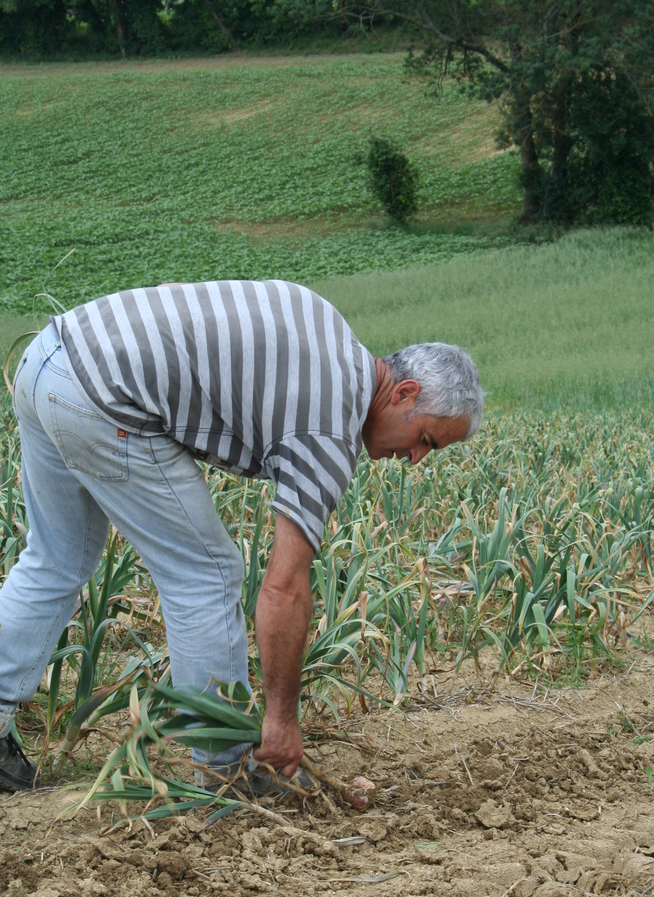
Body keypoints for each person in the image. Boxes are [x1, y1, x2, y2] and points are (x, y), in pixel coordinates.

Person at [0, 280, 483, 794]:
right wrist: (281, 722)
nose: (416, 458)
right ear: (404, 393)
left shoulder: (331, 330)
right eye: (425, 439)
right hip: (102, 398)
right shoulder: (328, 428)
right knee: (206, 575)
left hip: (48, 358)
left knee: (55, 559)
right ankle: (224, 771)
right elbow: (284, 589)